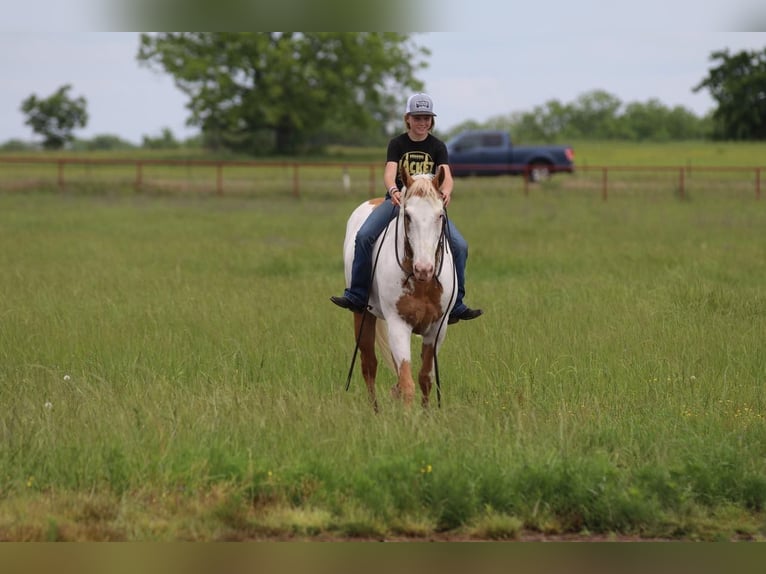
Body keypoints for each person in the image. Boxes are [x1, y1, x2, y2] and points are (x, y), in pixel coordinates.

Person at [331, 93, 482, 325]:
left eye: (427, 118)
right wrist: (393, 190)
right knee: (364, 236)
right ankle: (358, 294)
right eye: (417, 118)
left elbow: (447, 176)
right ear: (408, 119)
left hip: (428, 207)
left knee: (460, 246)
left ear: (432, 121)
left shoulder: (437, 146)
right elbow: (390, 172)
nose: (422, 123)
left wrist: (447, 191)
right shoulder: (398, 143)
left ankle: (456, 303)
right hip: (400, 201)